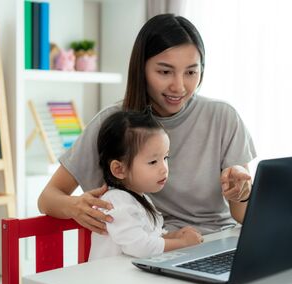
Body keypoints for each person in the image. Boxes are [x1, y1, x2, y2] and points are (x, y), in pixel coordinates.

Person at [38, 13, 257, 235]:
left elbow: (241, 214)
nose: (179, 87)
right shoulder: (113, 122)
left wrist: (243, 193)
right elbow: (48, 197)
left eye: (191, 72)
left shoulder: (223, 117)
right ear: (141, 69)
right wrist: (76, 207)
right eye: (164, 72)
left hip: (218, 241)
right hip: (149, 247)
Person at [89, 108, 202, 260]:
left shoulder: (140, 198)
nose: (164, 169)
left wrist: (174, 235)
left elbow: (151, 237)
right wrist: (182, 243)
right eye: (153, 162)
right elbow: (140, 246)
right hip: (111, 280)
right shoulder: (115, 201)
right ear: (119, 169)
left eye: (165, 158)